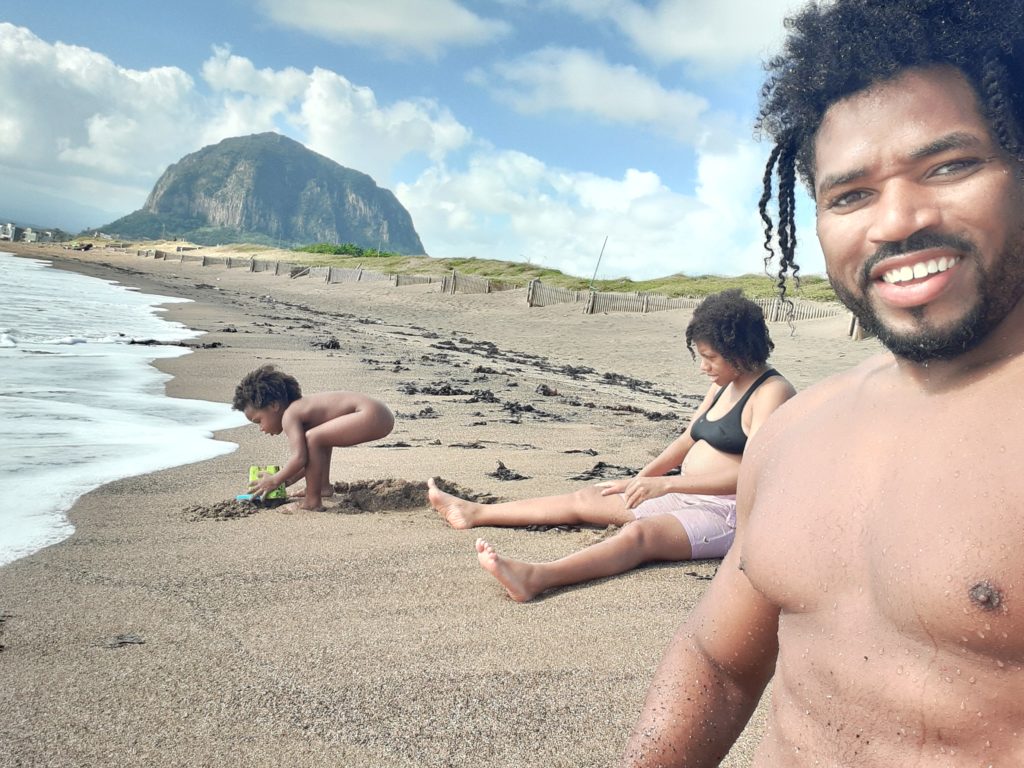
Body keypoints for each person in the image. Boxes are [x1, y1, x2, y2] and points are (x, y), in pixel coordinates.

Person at [621, 1, 1024, 766]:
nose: (897, 221)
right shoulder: (798, 432)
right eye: (851, 195)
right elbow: (718, 662)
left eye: (950, 165)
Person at [427, 290, 795, 602]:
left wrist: (666, 484)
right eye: (700, 356)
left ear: (740, 349)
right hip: (684, 494)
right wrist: (640, 480)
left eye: (710, 358)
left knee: (640, 536)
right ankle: (475, 513)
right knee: (590, 498)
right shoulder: (722, 384)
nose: (703, 367)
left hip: (730, 514)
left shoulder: (771, 392)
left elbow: (756, 473)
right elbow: (689, 437)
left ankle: (537, 577)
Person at [231, 365, 394, 511]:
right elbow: (311, 458)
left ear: (274, 405)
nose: (261, 428)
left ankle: (312, 500)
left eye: (258, 421)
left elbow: (300, 458)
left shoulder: (290, 415)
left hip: (370, 414)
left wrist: (275, 480)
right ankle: (322, 487)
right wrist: (286, 481)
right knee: (319, 439)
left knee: (313, 438)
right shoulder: (301, 410)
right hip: (379, 414)